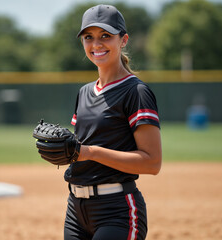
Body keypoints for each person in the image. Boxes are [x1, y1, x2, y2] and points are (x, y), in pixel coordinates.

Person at [63, 4, 162, 240]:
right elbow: (83, 150)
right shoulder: (85, 92)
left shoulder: (136, 91)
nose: (96, 44)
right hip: (75, 210)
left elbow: (152, 163)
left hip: (117, 210)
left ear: (123, 39)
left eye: (105, 36)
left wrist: (91, 152)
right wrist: (65, 152)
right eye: (89, 37)